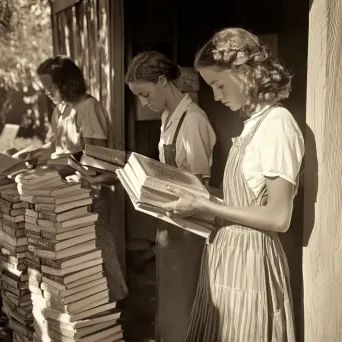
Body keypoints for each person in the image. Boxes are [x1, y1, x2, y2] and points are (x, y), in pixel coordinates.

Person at [161, 28, 304, 342]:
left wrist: (205, 205)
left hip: (251, 264)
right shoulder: (253, 123)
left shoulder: (278, 125)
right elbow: (245, 200)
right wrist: (192, 195)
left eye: (218, 84)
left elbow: (279, 217)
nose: (215, 96)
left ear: (244, 72)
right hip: (228, 258)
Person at [17, 56, 128, 302]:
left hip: (89, 195)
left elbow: (95, 158)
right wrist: (34, 153)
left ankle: (114, 309)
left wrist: (52, 165)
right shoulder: (61, 109)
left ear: (66, 83)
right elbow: (54, 145)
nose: (47, 92)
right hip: (65, 195)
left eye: (50, 87)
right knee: (75, 258)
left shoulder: (88, 108)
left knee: (97, 255)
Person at [125, 51, 216, 342]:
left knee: (183, 302)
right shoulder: (168, 117)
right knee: (167, 300)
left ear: (163, 81)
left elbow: (199, 187)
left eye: (145, 93)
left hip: (189, 225)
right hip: (169, 220)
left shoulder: (194, 121)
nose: (143, 102)